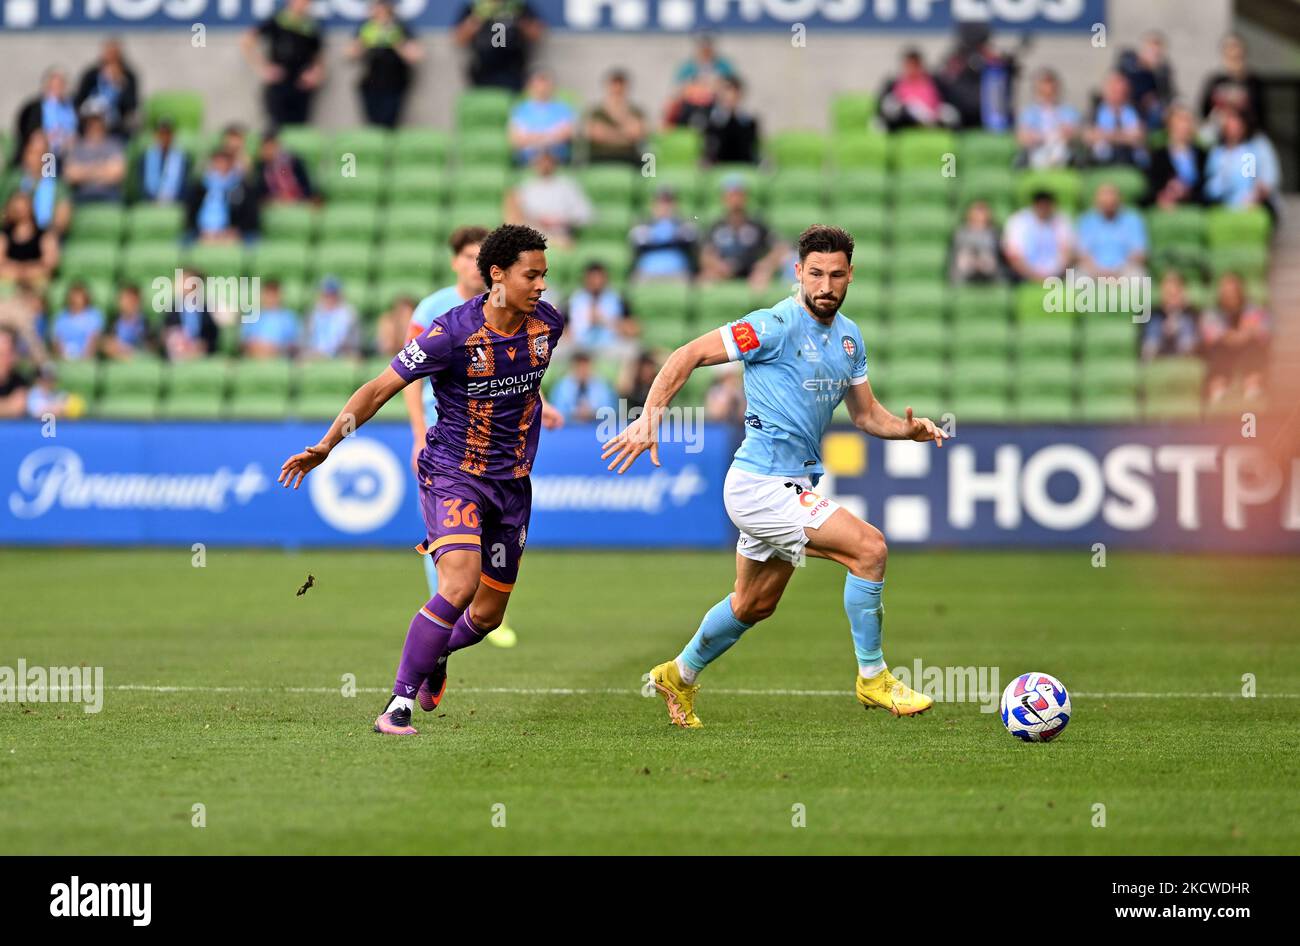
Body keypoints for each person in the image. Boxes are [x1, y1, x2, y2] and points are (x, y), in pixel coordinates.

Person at [601, 225, 946, 728]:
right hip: (758, 485)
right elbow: (687, 355)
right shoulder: (772, 325)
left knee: (753, 604)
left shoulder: (849, 339)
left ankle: (678, 674)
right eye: (815, 274)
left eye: (836, 274)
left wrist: (908, 430)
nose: (825, 285)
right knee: (869, 550)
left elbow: (868, 416)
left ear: (851, 275)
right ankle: (873, 678)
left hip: (795, 486)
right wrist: (651, 414)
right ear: (797, 274)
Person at [277, 225, 567, 736]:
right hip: (454, 473)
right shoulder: (450, 334)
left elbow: (525, 390)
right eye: (532, 274)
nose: (542, 285)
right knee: (458, 583)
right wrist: (328, 443)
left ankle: (436, 655)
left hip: (513, 485)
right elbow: (380, 387)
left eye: (544, 274)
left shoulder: (547, 326)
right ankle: (398, 704)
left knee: (488, 616)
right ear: (496, 275)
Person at [397, 225, 544, 651]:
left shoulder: (512, 309)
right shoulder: (435, 308)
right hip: (445, 439)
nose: (470, 263)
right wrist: (418, 434)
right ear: (455, 261)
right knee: (446, 537)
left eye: (476, 256)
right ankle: (442, 611)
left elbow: (521, 367)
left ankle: (474, 618)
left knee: (488, 540)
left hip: (496, 445)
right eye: (464, 256)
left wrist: (543, 404)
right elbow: (407, 377)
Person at [242, 0, 326, 127]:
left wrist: (316, 73)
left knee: (299, 128)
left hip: (301, 85)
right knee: (277, 126)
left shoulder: (310, 26)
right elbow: (247, 41)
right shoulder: (277, 20)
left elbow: (318, 55)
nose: (303, 4)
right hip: (280, 83)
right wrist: (262, 67)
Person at [699, 176, 787, 289]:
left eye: (739, 195)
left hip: (751, 271)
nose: (735, 200)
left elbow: (780, 248)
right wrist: (718, 265)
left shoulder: (757, 225)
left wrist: (765, 264)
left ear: (745, 198)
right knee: (705, 279)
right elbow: (706, 254)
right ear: (724, 199)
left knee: (762, 278)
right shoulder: (716, 226)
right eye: (731, 195)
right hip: (723, 270)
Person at [350, 1, 422, 128]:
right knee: (372, 125)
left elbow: (416, 56)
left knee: (389, 124)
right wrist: (365, 40)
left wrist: (395, 40)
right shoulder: (366, 27)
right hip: (371, 84)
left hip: (395, 84)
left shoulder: (401, 27)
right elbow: (349, 54)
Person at [1200, 271, 1269, 403]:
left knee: (1254, 346)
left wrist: (1245, 334)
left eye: (1233, 290)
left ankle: (1252, 388)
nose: (1229, 294)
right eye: (1226, 291)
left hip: (1247, 347)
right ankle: (1218, 390)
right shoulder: (1213, 311)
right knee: (1217, 349)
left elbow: (1263, 331)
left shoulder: (1252, 309)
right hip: (1223, 349)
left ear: (1240, 291)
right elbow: (1209, 334)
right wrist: (1228, 336)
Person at [504, 150, 592, 249]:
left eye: (547, 161)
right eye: (540, 162)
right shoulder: (525, 188)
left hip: (560, 236)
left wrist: (559, 220)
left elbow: (585, 214)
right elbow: (515, 218)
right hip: (530, 237)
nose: (544, 165)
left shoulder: (568, 187)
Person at [453, 0, 545, 93]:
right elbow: (459, 39)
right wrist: (478, 17)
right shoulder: (474, 7)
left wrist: (517, 17)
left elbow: (537, 35)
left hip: (514, 73)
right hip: (482, 73)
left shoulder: (518, 6)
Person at [1204, 106, 1280, 215]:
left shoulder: (1249, 152)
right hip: (1221, 205)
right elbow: (1211, 186)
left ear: (1243, 127)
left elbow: (1249, 182)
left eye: (1236, 124)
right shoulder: (1217, 153)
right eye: (1229, 125)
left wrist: (1251, 197)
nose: (1232, 129)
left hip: (1245, 205)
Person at [4, 131, 73, 235]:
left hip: (45, 236)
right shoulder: (14, 180)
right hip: (15, 233)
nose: (36, 159)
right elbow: (4, 214)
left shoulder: (58, 185)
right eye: (32, 153)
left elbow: (63, 219)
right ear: (25, 154)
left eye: (41, 154)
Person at [1199, 33, 1266, 140]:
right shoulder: (1215, 81)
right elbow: (1205, 110)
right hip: (1219, 135)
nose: (1233, 52)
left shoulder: (1253, 81)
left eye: (1236, 48)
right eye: (1229, 49)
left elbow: (1260, 112)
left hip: (1247, 136)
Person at [565, 261, 637, 357]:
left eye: (599, 277)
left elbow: (633, 329)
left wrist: (605, 321)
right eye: (592, 278)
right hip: (580, 347)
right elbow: (564, 329)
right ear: (585, 279)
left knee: (632, 349)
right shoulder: (573, 300)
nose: (596, 282)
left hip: (609, 345)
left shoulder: (617, 299)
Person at [1075, 183, 1147, 278]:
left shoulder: (1133, 219)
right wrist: (1098, 271)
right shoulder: (1087, 220)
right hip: (1093, 270)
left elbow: (1139, 253)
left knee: (1138, 278)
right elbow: (1082, 253)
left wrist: (1117, 271)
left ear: (1120, 200)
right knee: (1076, 278)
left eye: (1112, 202)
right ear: (1096, 202)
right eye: (1104, 203)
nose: (1108, 204)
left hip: (1125, 270)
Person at [186, 149, 258, 243]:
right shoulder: (201, 187)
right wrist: (201, 230)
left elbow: (249, 216)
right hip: (203, 232)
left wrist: (235, 230)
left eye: (224, 163)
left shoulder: (241, 187)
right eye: (217, 163)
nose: (220, 166)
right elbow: (191, 213)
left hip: (231, 233)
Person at [665, 33, 737, 128]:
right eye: (702, 47)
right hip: (690, 105)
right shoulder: (687, 67)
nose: (705, 50)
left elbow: (731, 87)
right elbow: (680, 89)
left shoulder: (723, 66)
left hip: (716, 103)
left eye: (708, 46)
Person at [1001, 190, 1073, 282]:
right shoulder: (1018, 221)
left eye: (1047, 205)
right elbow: (1013, 255)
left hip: (1057, 274)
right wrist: (1033, 275)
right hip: (1023, 273)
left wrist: (1054, 274)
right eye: (1041, 205)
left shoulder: (1062, 220)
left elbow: (1068, 252)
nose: (1044, 208)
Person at [878, 48, 958, 131]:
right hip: (905, 119)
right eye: (909, 65)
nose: (912, 69)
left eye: (915, 65)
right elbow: (884, 107)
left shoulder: (934, 82)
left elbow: (945, 102)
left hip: (932, 117)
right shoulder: (894, 84)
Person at [508, 70, 577, 166]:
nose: (542, 89)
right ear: (530, 87)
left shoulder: (563, 108)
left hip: (557, 157)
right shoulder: (520, 110)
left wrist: (535, 138)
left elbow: (568, 133)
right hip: (529, 158)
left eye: (545, 85)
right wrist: (549, 137)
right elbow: (516, 139)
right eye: (538, 85)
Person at [1015, 68, 1080, 169]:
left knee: (1060, 151)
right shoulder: (1029, 113)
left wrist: (1059, 136)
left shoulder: (1069, 111)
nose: (1048, 96)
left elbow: (1071, 134)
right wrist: (1044, 137)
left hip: (1061, 150)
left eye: (1051, 92)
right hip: (1036, 149)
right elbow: (1023, 137)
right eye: (1043, 92)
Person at [74, 38, 139, 138]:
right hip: (91, 123)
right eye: (108, 54)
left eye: (114, 55)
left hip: (116, 126)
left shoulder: (128, 76)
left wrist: (120, 84)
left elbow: (131, 105)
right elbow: (79, 100)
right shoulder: (91, 75)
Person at [629, 187, 697, 281]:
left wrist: (669, 232)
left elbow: (690, 236)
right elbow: (637, 238)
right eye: (660, 202)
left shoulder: (683, 223)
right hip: (647, 271)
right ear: (653, 205)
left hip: (678, 271)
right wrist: (665, 235)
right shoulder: (643, 223)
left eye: (668, 202)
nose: (664, 207)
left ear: (675, 205)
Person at [1146, 103, 1206, 208]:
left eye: (1187, 122)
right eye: (1179, 121)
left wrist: (1186, 193)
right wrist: (1165, 194)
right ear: (1170, 125)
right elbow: (1153, 186)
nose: (1184, 127)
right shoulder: (1159, 155)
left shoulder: (1202, 155)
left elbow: (1205, 187)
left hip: (1195, 204)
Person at [583, 69, 646, 165]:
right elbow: (595, 133)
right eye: (614, 87)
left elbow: (637, 133)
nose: (617, 90)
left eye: (620, 88)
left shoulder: (635, 111)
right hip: (600, 156)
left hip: (628, 156)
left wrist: (609, 132)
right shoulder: (596, 112)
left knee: (650, 162)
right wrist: (624, 135)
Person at [63, 108, 126, 203]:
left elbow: (118, 174)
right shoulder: (77, 146)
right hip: (82, 197)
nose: (94, 125)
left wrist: (84, 171)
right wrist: (103, 169)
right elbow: (70, 175)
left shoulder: (114, 145)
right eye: (91, 121)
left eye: (97, 120)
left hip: (110, 197)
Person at [14, 69, 79, 161]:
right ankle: (48, 174)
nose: (58, 89)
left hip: (70, 149)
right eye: (55, 86)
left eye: (61, 85)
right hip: (47, 150)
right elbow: (31, 133)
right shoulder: (35, 108)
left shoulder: (72, 106)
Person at [1086, 71, 1145, 167]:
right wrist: (1125, 136)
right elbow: (1089, 136)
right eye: (1114, 90)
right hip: (1101, 163)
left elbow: (1139, 137)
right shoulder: (1095, 112)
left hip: (1132, 163)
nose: (1118, 93)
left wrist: (1105, 135)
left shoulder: (1136, 111)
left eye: (1121, 90)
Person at [1118, 31, 1175, 131]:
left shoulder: (1162, 73)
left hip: (1151, 114)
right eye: (1151, 50)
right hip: (1128, 108)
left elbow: (1167, 95)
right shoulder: (1129, 65)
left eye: (1158, 53)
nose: (1154, 55)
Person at [0, 191, 59, 285]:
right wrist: (18, 272)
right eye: (16, 207)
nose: (20, 211)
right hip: (9, 282)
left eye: (23, 206)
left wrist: (28, 272)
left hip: (37, 281)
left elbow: (50, 264)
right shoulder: (4, 235)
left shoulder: (45, 235)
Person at [700, 76, 761, 165]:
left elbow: (751, 150)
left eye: (734, 92)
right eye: (726, 92)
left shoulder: (749, 122)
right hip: (718, 169)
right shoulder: (711, 121)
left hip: (744, 168)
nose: (730, 97)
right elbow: (710, 151)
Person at [162, 270, 219, 359]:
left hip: (201, 355)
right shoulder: (170, 309)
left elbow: (212, 335)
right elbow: (165, 334)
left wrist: (202, 345)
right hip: (177, 355)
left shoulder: (207, 310)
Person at [1141, 271, 1198, 361]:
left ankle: (1187, 358)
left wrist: (1180, 311)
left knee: (1187, 323)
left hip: (1182, 351)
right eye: (1167, 293)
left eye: (1174, 294)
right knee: (1155, 324)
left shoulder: (1191, 313)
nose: (1171, 298)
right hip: (1159, 350)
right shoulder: (1154, 314)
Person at [548, 350, 616, 422]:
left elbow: (610, 409)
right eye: (579, 366)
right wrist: (575, 413)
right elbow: (557, 410)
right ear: (573, 367)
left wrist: (593, 413)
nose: (583, 370)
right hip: (569, 428)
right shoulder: (561, 386)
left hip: (595, 427)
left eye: (585, 366)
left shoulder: (601, 385)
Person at [241, 279, 300, 358]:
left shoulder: (289, 318)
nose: (271, 298)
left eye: (274, 294)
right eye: (268, 294)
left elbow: (294, 345)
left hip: (279, 359)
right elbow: (243, 343)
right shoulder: (251, 315)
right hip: (254, 358)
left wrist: (274, 348)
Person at [253, 130, 315, 204]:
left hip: (298, 199)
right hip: (276, 202)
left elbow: (306, 184)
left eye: (271, 146)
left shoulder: (293, 161)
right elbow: (259, 192)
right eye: (265, 147)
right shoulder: (261, 167)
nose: (269, 151)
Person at [304, 276, 359, 358]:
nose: (329, 298)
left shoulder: (349, 314)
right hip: (315, 354)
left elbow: (355, 340)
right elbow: (305, 339)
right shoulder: (313, 314)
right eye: (326, 295)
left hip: (341, 354)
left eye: (332, 294)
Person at [949, 200, 1003, 283]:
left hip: (988, 268)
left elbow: (996, 255)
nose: (979, 215)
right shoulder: (961, 232)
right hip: (967, 266)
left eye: (982, 211)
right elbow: (957, 256)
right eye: (976, 211)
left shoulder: (994, 233)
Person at [138, 119, 189, 204]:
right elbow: (141, 187)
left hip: (173, 202)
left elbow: (183, 187)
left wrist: (169, 199)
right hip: (150, 202)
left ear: (172, 136)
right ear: (156, 135)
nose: (164, 137)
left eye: (167, 134)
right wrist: (153, 199)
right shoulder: (144, 158)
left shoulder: (183, 159)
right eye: (161, 134)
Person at [52, 283, 105, 361]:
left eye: (79, 297)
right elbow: (57, 340)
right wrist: (64, 356)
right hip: (65, 357)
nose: (76, 300)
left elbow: (94, 338)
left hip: (86, 357)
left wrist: (85, 358)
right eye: (73, 297)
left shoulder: (94, 316)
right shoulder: (61, 317)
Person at [103, 284, 155, 360]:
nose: (125, 303)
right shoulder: (114, 320)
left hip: (137, 358)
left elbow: (150, 346)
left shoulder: (144, 321)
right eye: (122, 299)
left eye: (129, 300)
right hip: (117, 359)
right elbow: (107, 342)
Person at [0, 328, 33, 418]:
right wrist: (9, 405)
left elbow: (19, 407)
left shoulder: (20, 381)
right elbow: (13, 408)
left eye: (4, 354)